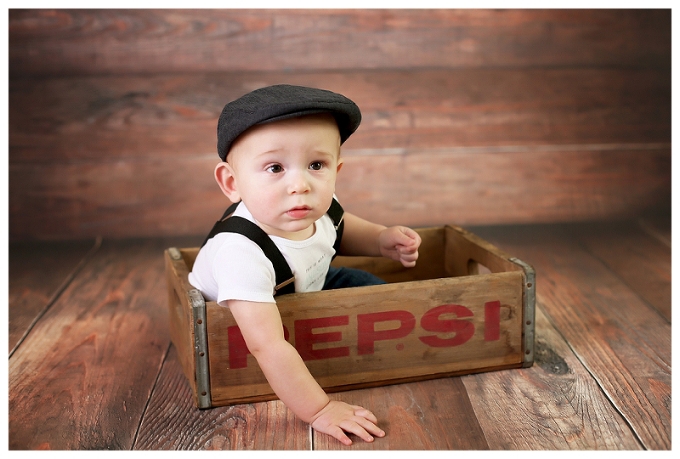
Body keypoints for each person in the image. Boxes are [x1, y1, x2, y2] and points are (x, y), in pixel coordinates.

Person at [189, 84, 421, 445]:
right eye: (275, 167)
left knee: (380, 299)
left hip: (310, 286)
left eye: (316, 165)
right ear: (232, 183)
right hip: (251, 316)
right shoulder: (241, 254)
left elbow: (340, 229)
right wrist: (319, 410)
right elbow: (267, 345)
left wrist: (380, 239)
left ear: (336, 169)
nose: (300, 184)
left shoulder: (317, 204)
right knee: (283, 340)